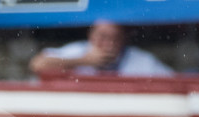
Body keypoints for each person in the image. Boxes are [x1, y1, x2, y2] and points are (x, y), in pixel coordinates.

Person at [29, 20, 173, 77]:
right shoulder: (79, 51)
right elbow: (37, 65)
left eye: (115, 38)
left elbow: (173, 80)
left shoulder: (141, 60)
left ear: (124, 39)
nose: (108, 44)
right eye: (103, 37)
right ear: (91, 35)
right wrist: (84, 61)